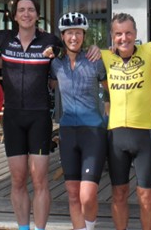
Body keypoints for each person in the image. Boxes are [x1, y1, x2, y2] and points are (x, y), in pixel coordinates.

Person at [0, 0, 99, 230]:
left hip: (39, 117)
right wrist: (2, 62)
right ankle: (23, 227)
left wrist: (95, 48)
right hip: (13, 117)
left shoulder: (50, 41)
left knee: (39, 180)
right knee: (18, 179)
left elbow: (72, 49)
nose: (26, 14)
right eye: (21, 10)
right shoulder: (4, 38)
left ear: (37, 15)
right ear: (15, 16)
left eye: (31, 10)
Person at [46, 12, 107, 230]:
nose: (74, 37)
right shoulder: (55, 63)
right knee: (73, 194)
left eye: (78, 33)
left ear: (84, 35)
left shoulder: (95, 60)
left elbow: (110, 89)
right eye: (69, 33)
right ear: (62, 36)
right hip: (67, 131)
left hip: (93, 131)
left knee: (87, 195)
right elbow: (49, 83)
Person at [100, 13, 151, 230]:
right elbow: (72, 48)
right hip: (116, 135)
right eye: (118, 34)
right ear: (112, 36)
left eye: (128, 33)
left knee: (146, 194)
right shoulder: (104, 56)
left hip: (145, 134)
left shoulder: (149, 50)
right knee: (119, 193)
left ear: (135, 34)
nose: (123, 38)